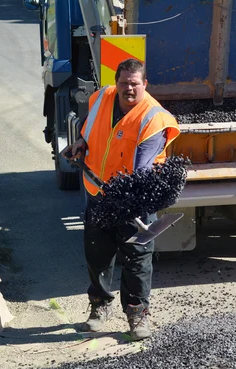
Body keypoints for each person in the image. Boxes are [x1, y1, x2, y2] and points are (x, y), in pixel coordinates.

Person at [65, 59, 180, 340]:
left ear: (145, 84)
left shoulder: (153, 118)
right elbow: (90, 124)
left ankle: (138, 315)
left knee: (137, 258)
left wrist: (126, 199)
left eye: (134, 84)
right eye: (124, 83)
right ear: (116, 83)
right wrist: (82, 142)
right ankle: (99, 307)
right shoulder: (103, 97)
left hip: (134, 200)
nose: (129, 89)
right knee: (97, 254)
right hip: (97, 192)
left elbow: (140, 170)